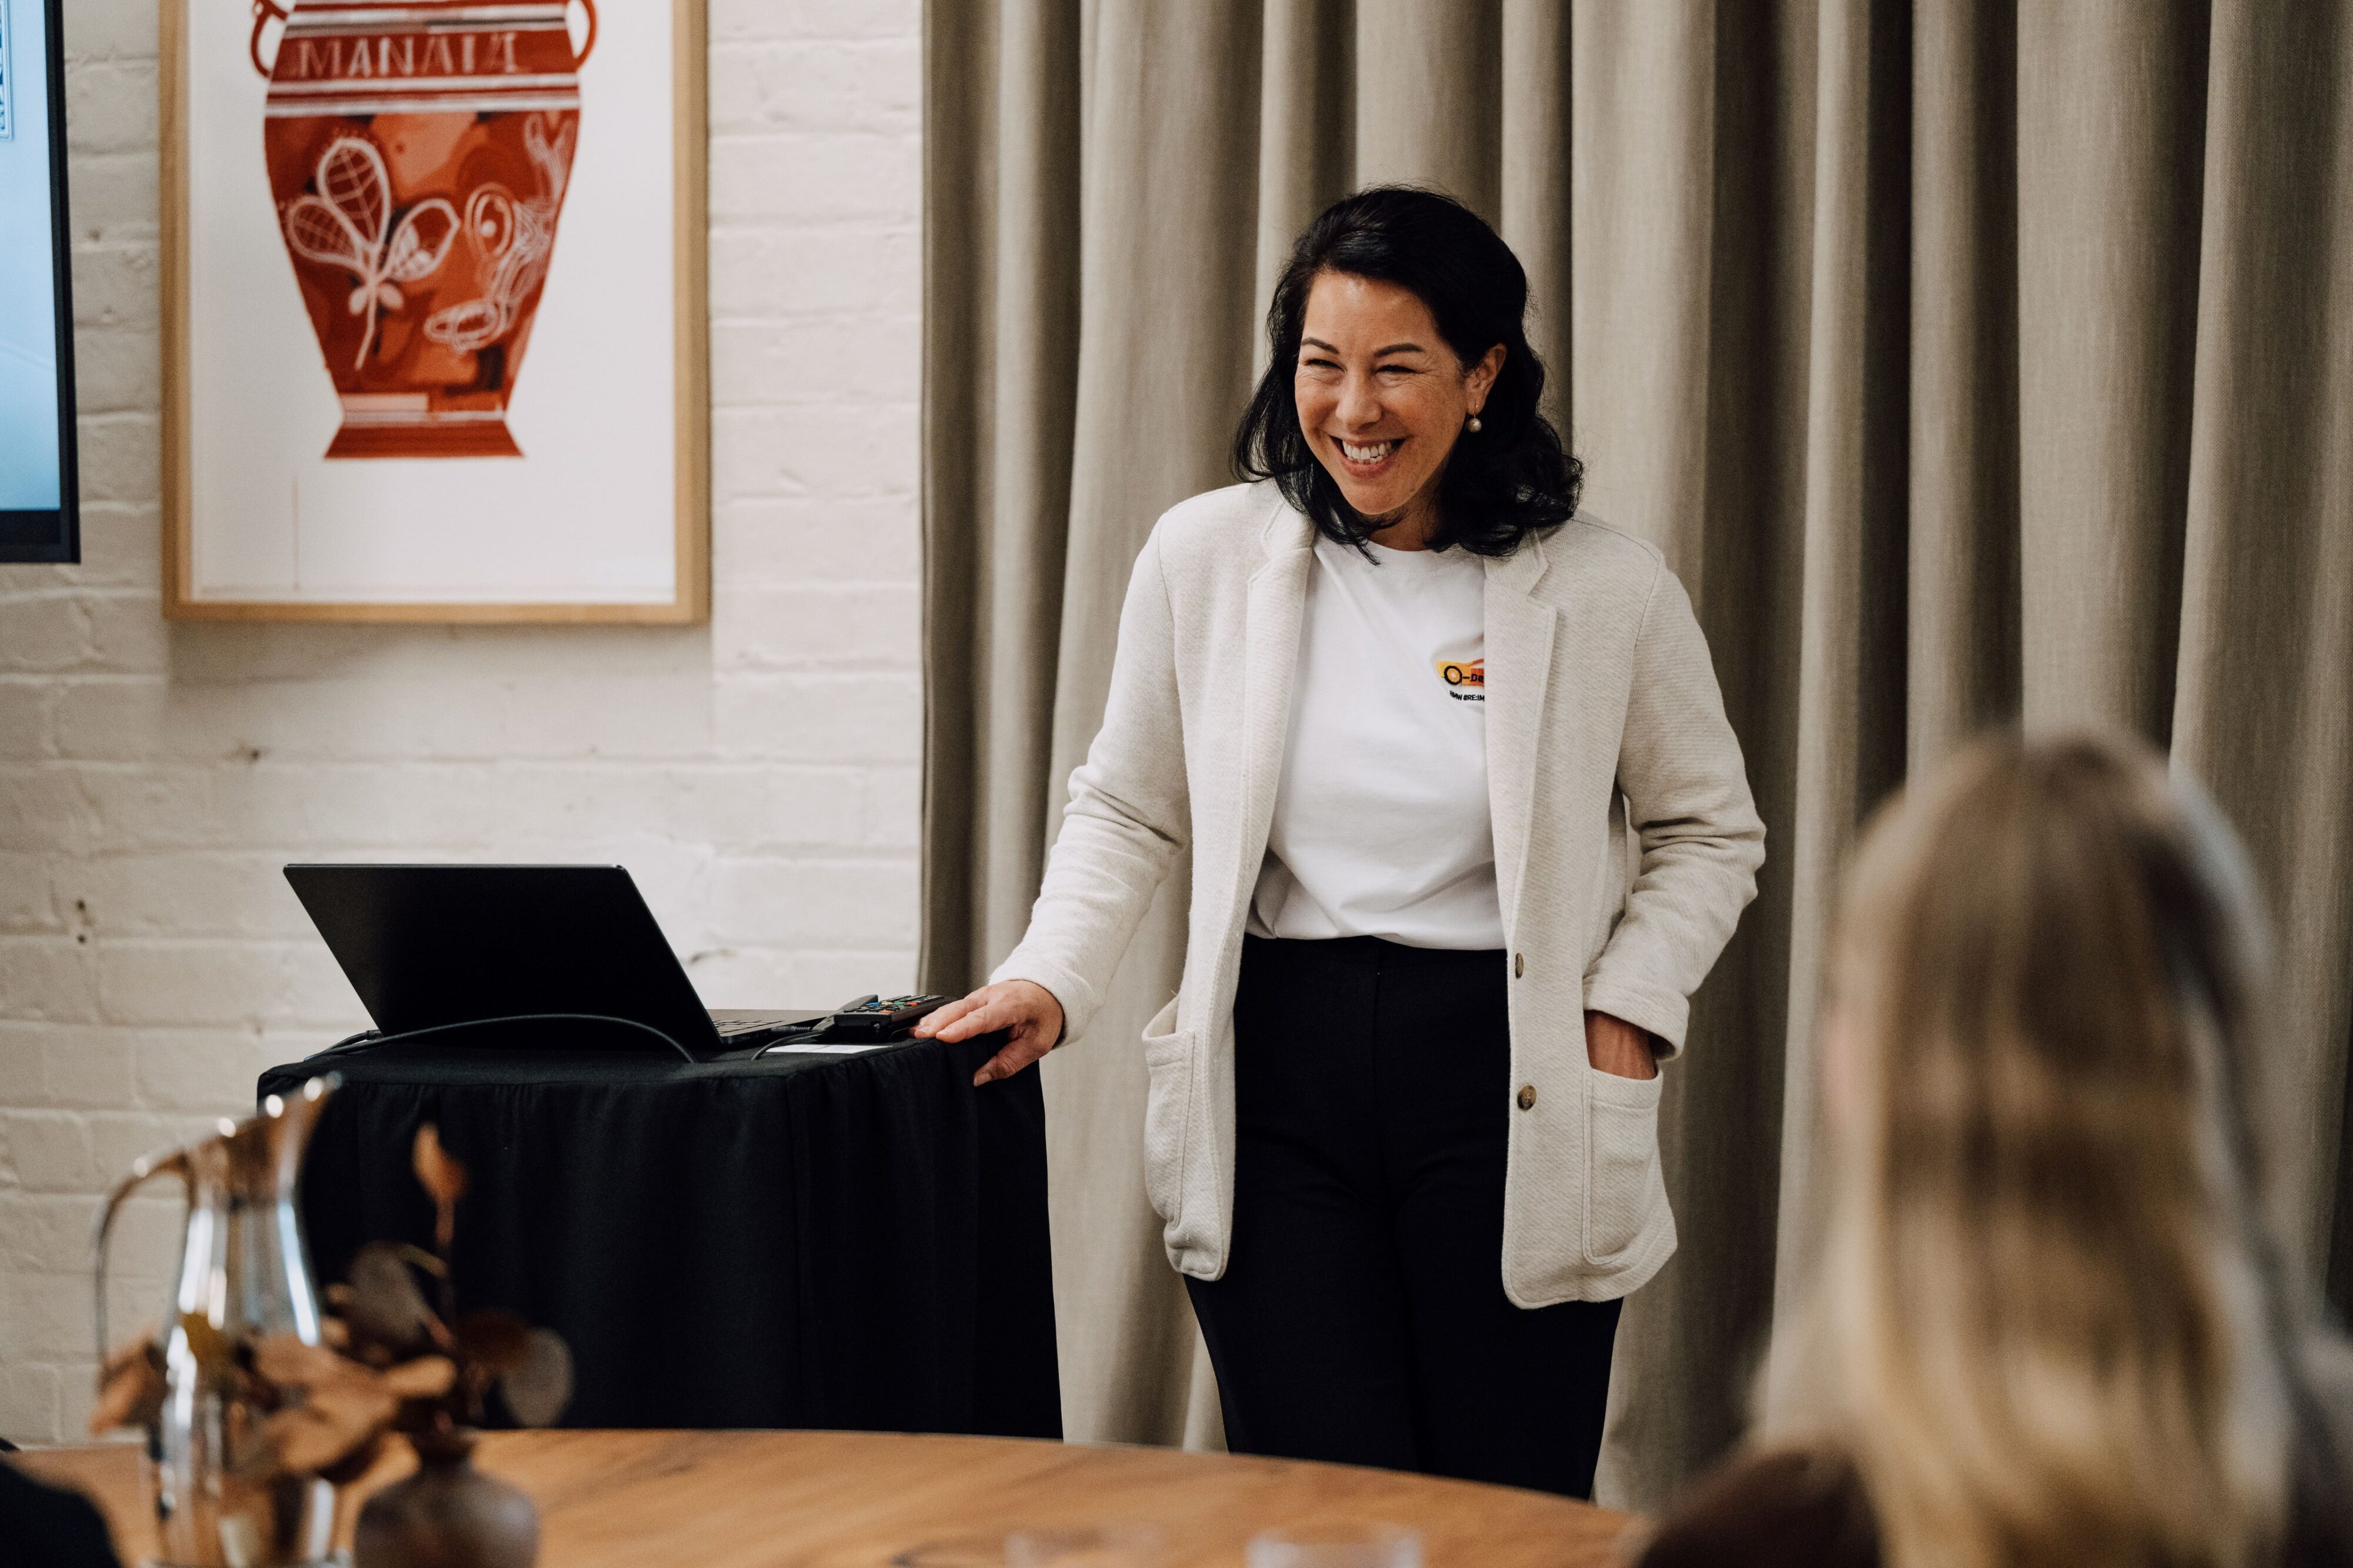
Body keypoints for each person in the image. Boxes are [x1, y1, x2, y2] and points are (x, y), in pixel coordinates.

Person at [917, 186, 1764, 1497]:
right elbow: (1128, 803)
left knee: (1504, 1510)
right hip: (1279, 1076)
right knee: (1324, 1512)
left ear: (1481, 377)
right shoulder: (1202, 558)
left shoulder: (1603, 587)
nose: (1350, 410)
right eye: (1320, 365)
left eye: (1396, 368)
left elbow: (1709, 830)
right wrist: (1047, 976)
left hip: (1507, 1068)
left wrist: (1627, 1009)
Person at [1637, 730, 2353, 1567]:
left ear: (1868, 1075)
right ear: (2233, 1062)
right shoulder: (2326, 1486)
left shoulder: (1747, 1544)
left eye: (1844, 997)